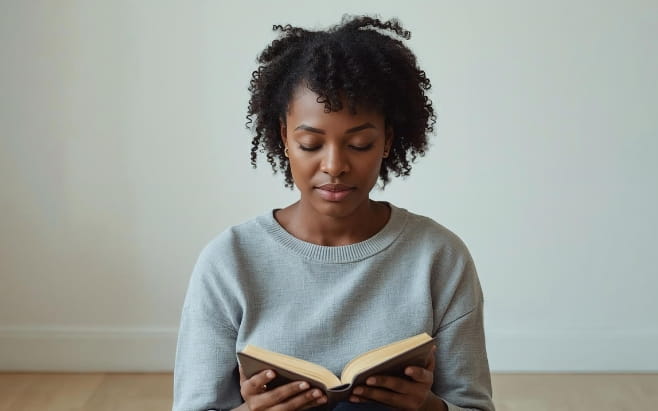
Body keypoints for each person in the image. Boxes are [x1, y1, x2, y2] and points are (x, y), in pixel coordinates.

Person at [173, 15, 494, 411]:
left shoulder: (438, 256)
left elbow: (474, 405)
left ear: (387, 141)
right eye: (310, 144)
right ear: (283, 139)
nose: (335, 165)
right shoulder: (229, 261)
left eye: (359, 144)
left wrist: (430, 407)